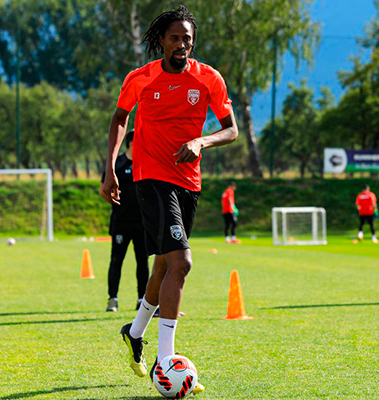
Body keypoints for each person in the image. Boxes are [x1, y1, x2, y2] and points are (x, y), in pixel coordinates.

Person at [100, 5, 238, 392]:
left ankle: (134, 332)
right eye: (174, 38)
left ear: (193, 43)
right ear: (161, 40)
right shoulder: (141, 78)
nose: (181, 45)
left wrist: (201, 141)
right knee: (182, 262)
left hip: (188, 183)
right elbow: (120, 118)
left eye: (186, 39)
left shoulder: (209, 78)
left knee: (164, 264)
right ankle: (166, 361)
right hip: (150, 178)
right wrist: (110, 168)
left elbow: (231, 130)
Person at [101, 130, 149, 312]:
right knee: (116, 260)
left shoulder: (146, 162)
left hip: (142, 223)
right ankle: (112, 299)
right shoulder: (117, 163)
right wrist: (116, 203)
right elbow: (103, 190)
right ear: (131, 143)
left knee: (142, 261)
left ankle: (142, 299)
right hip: (121, 222)